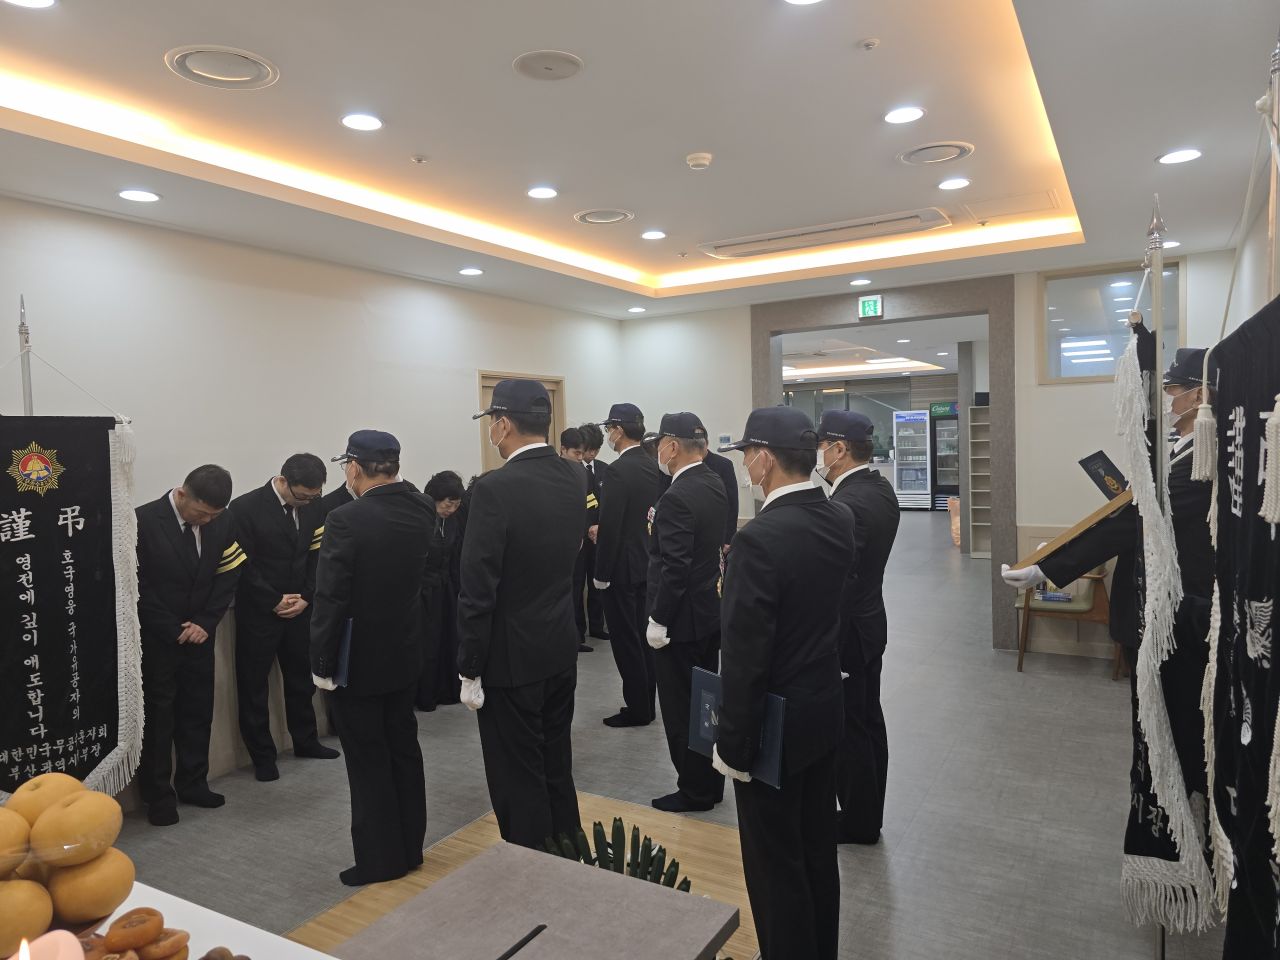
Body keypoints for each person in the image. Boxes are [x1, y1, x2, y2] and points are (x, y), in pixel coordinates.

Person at [714, 407, 854, 960]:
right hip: (822, 708)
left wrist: (733, 744)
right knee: (816, 850)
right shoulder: (837, 516)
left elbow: (745, 656)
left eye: (748, 454)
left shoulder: (759, 539)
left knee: (775, 865)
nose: (746, 464)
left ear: (765, 459)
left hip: (772, 726)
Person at [458, 379, 587, 848]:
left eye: (493, 422)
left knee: (518, 775)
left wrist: (469, 666)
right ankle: (568, 851)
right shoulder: (575, 475)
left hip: (510, 658)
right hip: (559, 644)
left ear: (503, 424)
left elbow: (478, 587)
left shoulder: (494, 488)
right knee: (555, 762)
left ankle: (531, 872)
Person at [310, 430, 432, 886]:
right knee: (403, 749)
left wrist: (321, 663)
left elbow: (331, 597)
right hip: (404, 649)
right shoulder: (422, 507)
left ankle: (381, 860)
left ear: (355, 467)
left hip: (355, 659)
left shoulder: (346, 518)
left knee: (367, 760)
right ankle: (410, 848)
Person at [135, 465, 244, 827]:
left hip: (201, 634)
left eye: (214, 515)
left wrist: (206, 622)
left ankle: (194, 783)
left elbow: (229, 572)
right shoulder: (142, 521)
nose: (207, 521)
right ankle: (158, 796)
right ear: (182, 494)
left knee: (198, 711)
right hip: (159, 638)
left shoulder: (224, 521)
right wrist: (172, 628)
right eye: (202, 513)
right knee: (159, 717)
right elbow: (137, 585)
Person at [228, 454, 340, 784]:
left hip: (300, 609)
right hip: (259, 611)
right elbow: (242, 564)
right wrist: (273, 600)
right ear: (283, 481)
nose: (307, 502)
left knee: (301, 679)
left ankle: (306, 741)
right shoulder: (245, 508)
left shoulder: (315, 507)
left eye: (314, 496)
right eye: (302, 496)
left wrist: (307, 596)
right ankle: (263, 756)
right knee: (254, 685)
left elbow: (318, 555)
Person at [816, 411, 900, 844]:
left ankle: (858, 820)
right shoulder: (878, 489)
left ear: (840, 449)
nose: (818, 454)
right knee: (867, 720)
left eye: (822, 446)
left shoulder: (847, 505)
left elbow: (839, 582)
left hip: (848, 633)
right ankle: (866, 813)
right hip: (869, 623)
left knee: (851, 728)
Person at [645, 412, 728, 812]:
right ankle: (710, 783)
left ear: (673, 446)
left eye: (660, 444)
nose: (658, 452)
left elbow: (674, 567)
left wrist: (659, 619)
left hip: (680, 621)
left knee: (681, 710)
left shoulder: (677, 496)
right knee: (706, 706)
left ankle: (693, 789)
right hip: (708, 612)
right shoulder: (713, 482)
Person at [594, 402, 662, 727]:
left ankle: (637, 709)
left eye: (609, 429)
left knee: (626, 642)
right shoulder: (652, 466)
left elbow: (610, 526)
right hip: (646, 564)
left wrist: (601, 574)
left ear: (618, 431)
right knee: (643, 641)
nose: (608, 435)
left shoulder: (617, 471)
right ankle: (646, 704)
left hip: (621, 570)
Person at [417, 469, 464, 710]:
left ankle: (448, 690)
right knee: (429, 644)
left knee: (450, 640)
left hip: (447, 589)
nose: (451, 510)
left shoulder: (453, 522)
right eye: (448, 504)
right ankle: (426, 695)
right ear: (435, 498)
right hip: (424, 592)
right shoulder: (421, 520)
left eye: (456, 505)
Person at [561, 427, 597, 653]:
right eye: (576, 453)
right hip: (560, 543)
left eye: (582, 453)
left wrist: (587, 529)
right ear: (563, 449)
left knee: (577, 587)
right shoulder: (552, 472)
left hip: (581, 541)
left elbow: (591, 504)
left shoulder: (586, 474)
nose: (580, 458)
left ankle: (578, 634)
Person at [578, 422, 609, 643]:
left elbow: (608, 503)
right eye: (589, 450)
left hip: (599, 536)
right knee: (577, 585)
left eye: (596, 450)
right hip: (579, 538)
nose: (592, 454)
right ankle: (578, 631)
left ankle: (597, 626)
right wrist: (586, 527)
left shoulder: (606, 469)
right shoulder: (571, 469)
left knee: (597, 583)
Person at [702, 448, 740, 552]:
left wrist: (729, 538)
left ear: (706, 443)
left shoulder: (723, 464)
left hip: (719, 532)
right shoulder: (684, 464)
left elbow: (732, 503)